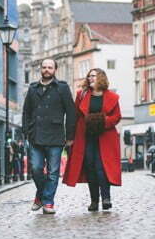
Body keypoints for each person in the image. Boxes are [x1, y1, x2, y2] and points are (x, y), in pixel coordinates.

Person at [21, 59, 76, 214]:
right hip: (36, 136)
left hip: (56, 136)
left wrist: (70, 136)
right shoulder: (32, 88)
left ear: (55, 69)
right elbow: (26, 112)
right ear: (40, 69)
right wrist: (26, 132)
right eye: (44, 67)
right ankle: (41, 194)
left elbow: (71, 113)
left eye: (50, 67)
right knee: (36, 169)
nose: (46, 70)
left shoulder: (62, 88)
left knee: (53, 172)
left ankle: (47, 202)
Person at [63, 68, 122, 211]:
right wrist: (70, 137)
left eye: (93, 76)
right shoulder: (81, 95)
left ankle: (106, 198)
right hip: (85, 137)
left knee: (102, 168)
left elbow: (117, 117)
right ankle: (94, 201)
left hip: (105, 137)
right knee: (90, 168)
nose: (90, 78)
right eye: (89, 76)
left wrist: (101, 121)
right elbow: (75, 116)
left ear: (101, 77)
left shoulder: (112, 97)